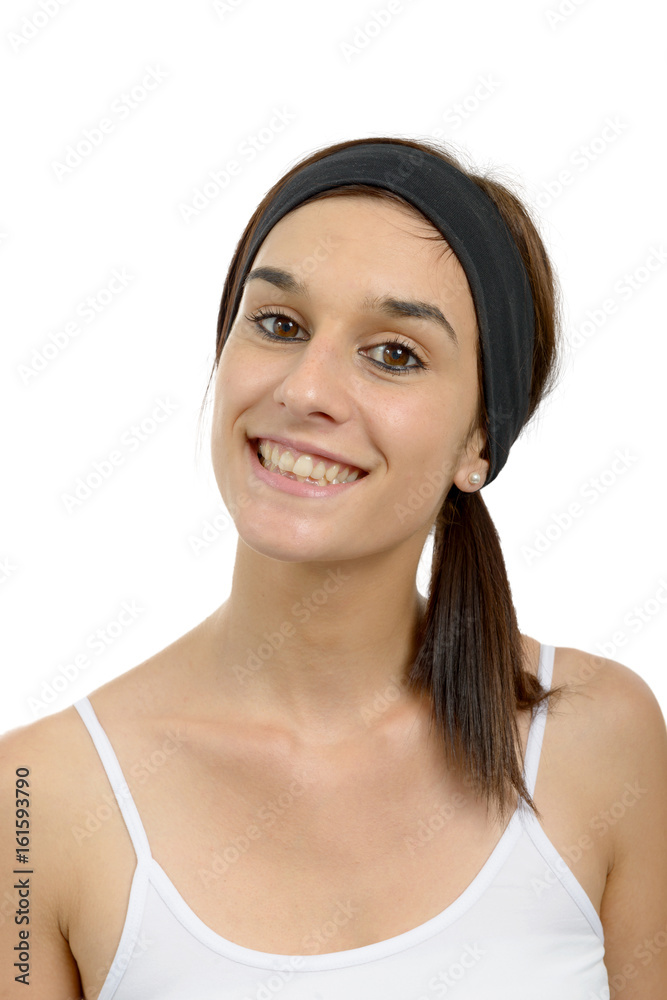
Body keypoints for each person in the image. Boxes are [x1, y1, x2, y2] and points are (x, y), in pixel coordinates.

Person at [1, 136, 666, 1000]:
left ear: (478, 440)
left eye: (393, 353)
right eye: (278, 325)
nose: (306, 388)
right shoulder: (32, 800)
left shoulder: (599, 739)